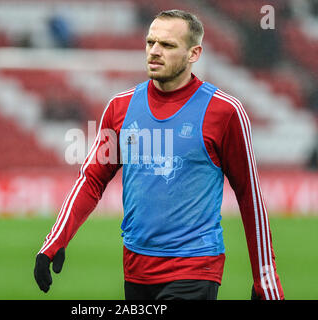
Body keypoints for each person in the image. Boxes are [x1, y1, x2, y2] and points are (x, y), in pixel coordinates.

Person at [34, 9, 284, 300]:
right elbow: (91, 179)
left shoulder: (225, 112)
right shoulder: (120, 107)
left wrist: (264, 277)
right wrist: (55, 240)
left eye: (167, 45)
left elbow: (249, 196)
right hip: (136, 269)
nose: (154, 51)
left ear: (194, 54)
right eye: (150, 42)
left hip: (195, 269)